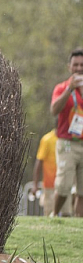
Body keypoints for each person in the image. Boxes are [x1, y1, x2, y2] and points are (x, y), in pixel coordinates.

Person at [50, 47, 83, 217]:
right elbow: (54, 110)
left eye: (82, 65)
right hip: (67, 143)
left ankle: (78, 224)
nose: (79, 68)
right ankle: (55, 215)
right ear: (69, 67)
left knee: (82, 191)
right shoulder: (61, 87)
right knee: (64, 185)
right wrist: (69, 89)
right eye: (75, 65)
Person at [30, 129, 73, 216]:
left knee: (67, 214)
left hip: (65, 184)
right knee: (49, 214)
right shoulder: (47, 139)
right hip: (50, 185)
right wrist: (35, 185)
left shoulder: (69, 139)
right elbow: (39, 162)